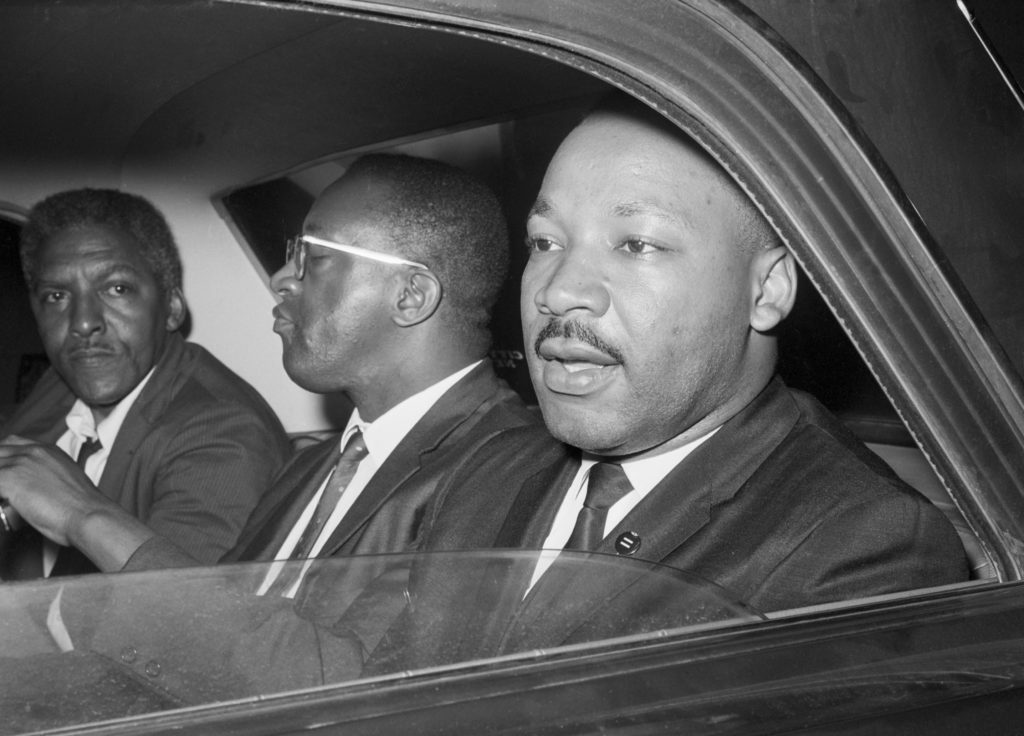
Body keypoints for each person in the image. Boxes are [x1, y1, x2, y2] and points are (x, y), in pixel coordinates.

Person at [373, 94, 971, 665]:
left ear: (766, 290)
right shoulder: (488, 470)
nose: (557, 291)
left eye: (636, 245)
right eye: (544, 241)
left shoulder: (863, 545)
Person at [1, 154, 534, 583]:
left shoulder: (510, 473)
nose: (282, 279)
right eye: (52, 296)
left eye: (313, 256)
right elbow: (227, 611)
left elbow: (336, 680)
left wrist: (82, 515)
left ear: (411, 294)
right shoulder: (314, 468)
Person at [0, 188, 290, 579]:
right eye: (56, 296)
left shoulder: (223, 433)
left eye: (116, 289)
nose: (83, 323)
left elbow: (182, 618)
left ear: (171, 308)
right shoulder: (65, 381)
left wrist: (78, 511)